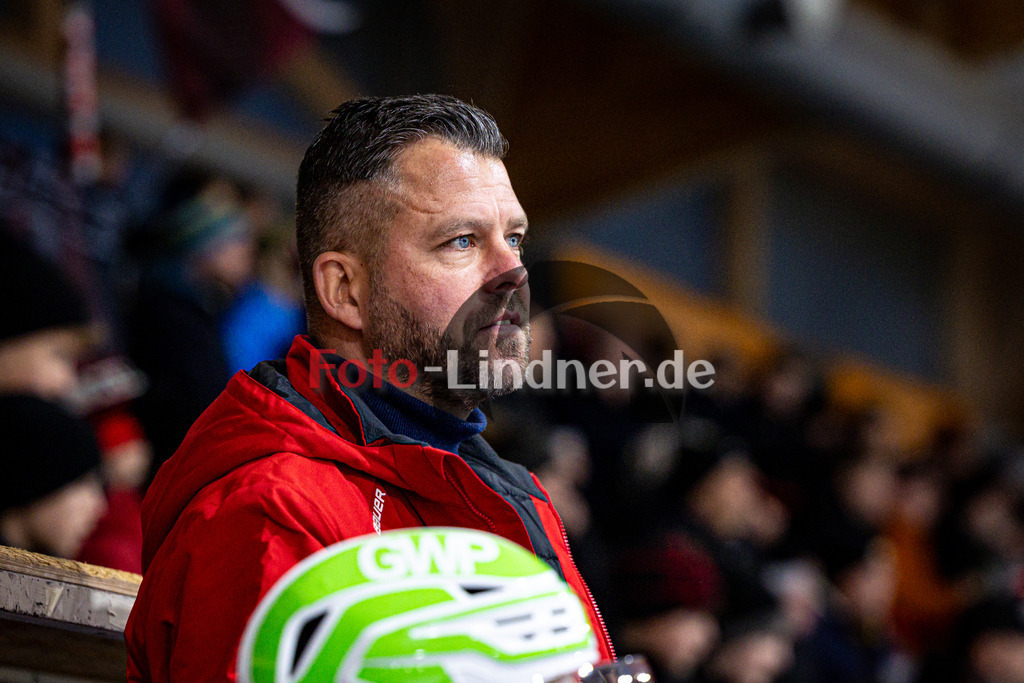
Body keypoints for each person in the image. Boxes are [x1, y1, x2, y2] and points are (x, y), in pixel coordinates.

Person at [125, 94, 614, 682]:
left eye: (515, 238)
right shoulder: (271, 511)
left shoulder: (518, 496)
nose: (512, 273)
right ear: (345, 291)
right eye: (461, 240)